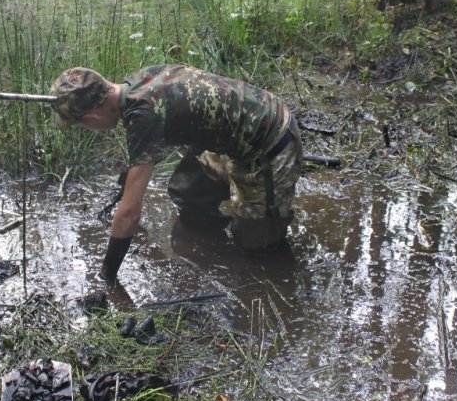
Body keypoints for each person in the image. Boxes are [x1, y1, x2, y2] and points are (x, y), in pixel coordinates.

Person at [50, 64, 303, 284]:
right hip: (230, 136)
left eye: (81, 124)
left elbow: (129, 214)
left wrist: (106, 274)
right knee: (189, 194)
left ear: (91, 116)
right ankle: (212, 245)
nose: (87, 128)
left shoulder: (143, 116)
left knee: (257, 246)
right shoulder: (141, 79)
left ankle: (274, 278)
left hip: (269, 141)